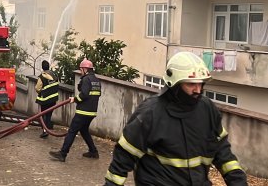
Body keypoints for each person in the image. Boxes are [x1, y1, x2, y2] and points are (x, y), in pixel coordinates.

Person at [104, 51, 247, 186]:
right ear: (174, 84)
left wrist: (238, 181)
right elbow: (123, 157)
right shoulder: (150, 113)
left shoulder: (207, 109)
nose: (198, 90)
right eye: (191, 84)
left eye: (200, 83)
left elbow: (222, 151)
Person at [49, 58, 101, 162]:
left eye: (81, 69)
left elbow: (84, 94)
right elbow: (96, 94)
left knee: (72, 131)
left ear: (85, 69)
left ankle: (63, 153)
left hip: (83, 112)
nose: (81, 71)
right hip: (92, 112)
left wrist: (75, 99)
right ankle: (93, 151)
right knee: (84, 130)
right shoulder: (96, 80)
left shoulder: (86, 79)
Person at [35, 60, 59, 138]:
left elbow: (37, 88)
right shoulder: (54, 75)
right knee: (49, 115)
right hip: (54, 99)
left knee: (43, 115)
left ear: (42, 67)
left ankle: (45, 131)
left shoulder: (42, 76)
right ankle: (48, 128)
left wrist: (41, 92)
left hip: (45, 100)